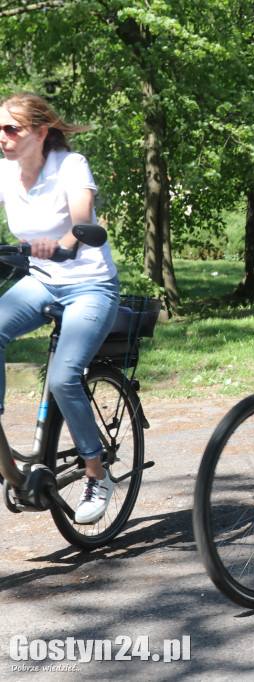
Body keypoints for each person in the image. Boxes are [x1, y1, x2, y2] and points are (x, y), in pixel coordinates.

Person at [0, 93, 119, 524]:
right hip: (41, 282)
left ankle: (96, 471)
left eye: (11, 129)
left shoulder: (70, 165)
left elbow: (83, 219)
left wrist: (65, 245)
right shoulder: (4, 172)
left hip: (90, 285)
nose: (3, 138)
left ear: (40, 132)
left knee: (65, 376)